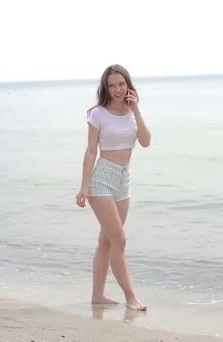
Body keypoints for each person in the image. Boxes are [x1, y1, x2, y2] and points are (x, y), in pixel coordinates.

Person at [75, 64, 151, 311]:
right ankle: (131, 297)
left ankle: (98, 295)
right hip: (102, 179)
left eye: (121, 84)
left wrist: (136, 108)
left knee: (107, 242)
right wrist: (84, 186)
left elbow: (146, 142)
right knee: (120, 240)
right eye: (112, 85)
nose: (117, 89)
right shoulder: (97, 113)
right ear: (105, 88)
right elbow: (90, 151)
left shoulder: (132, 112)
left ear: (128, 85)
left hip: (123, 180)